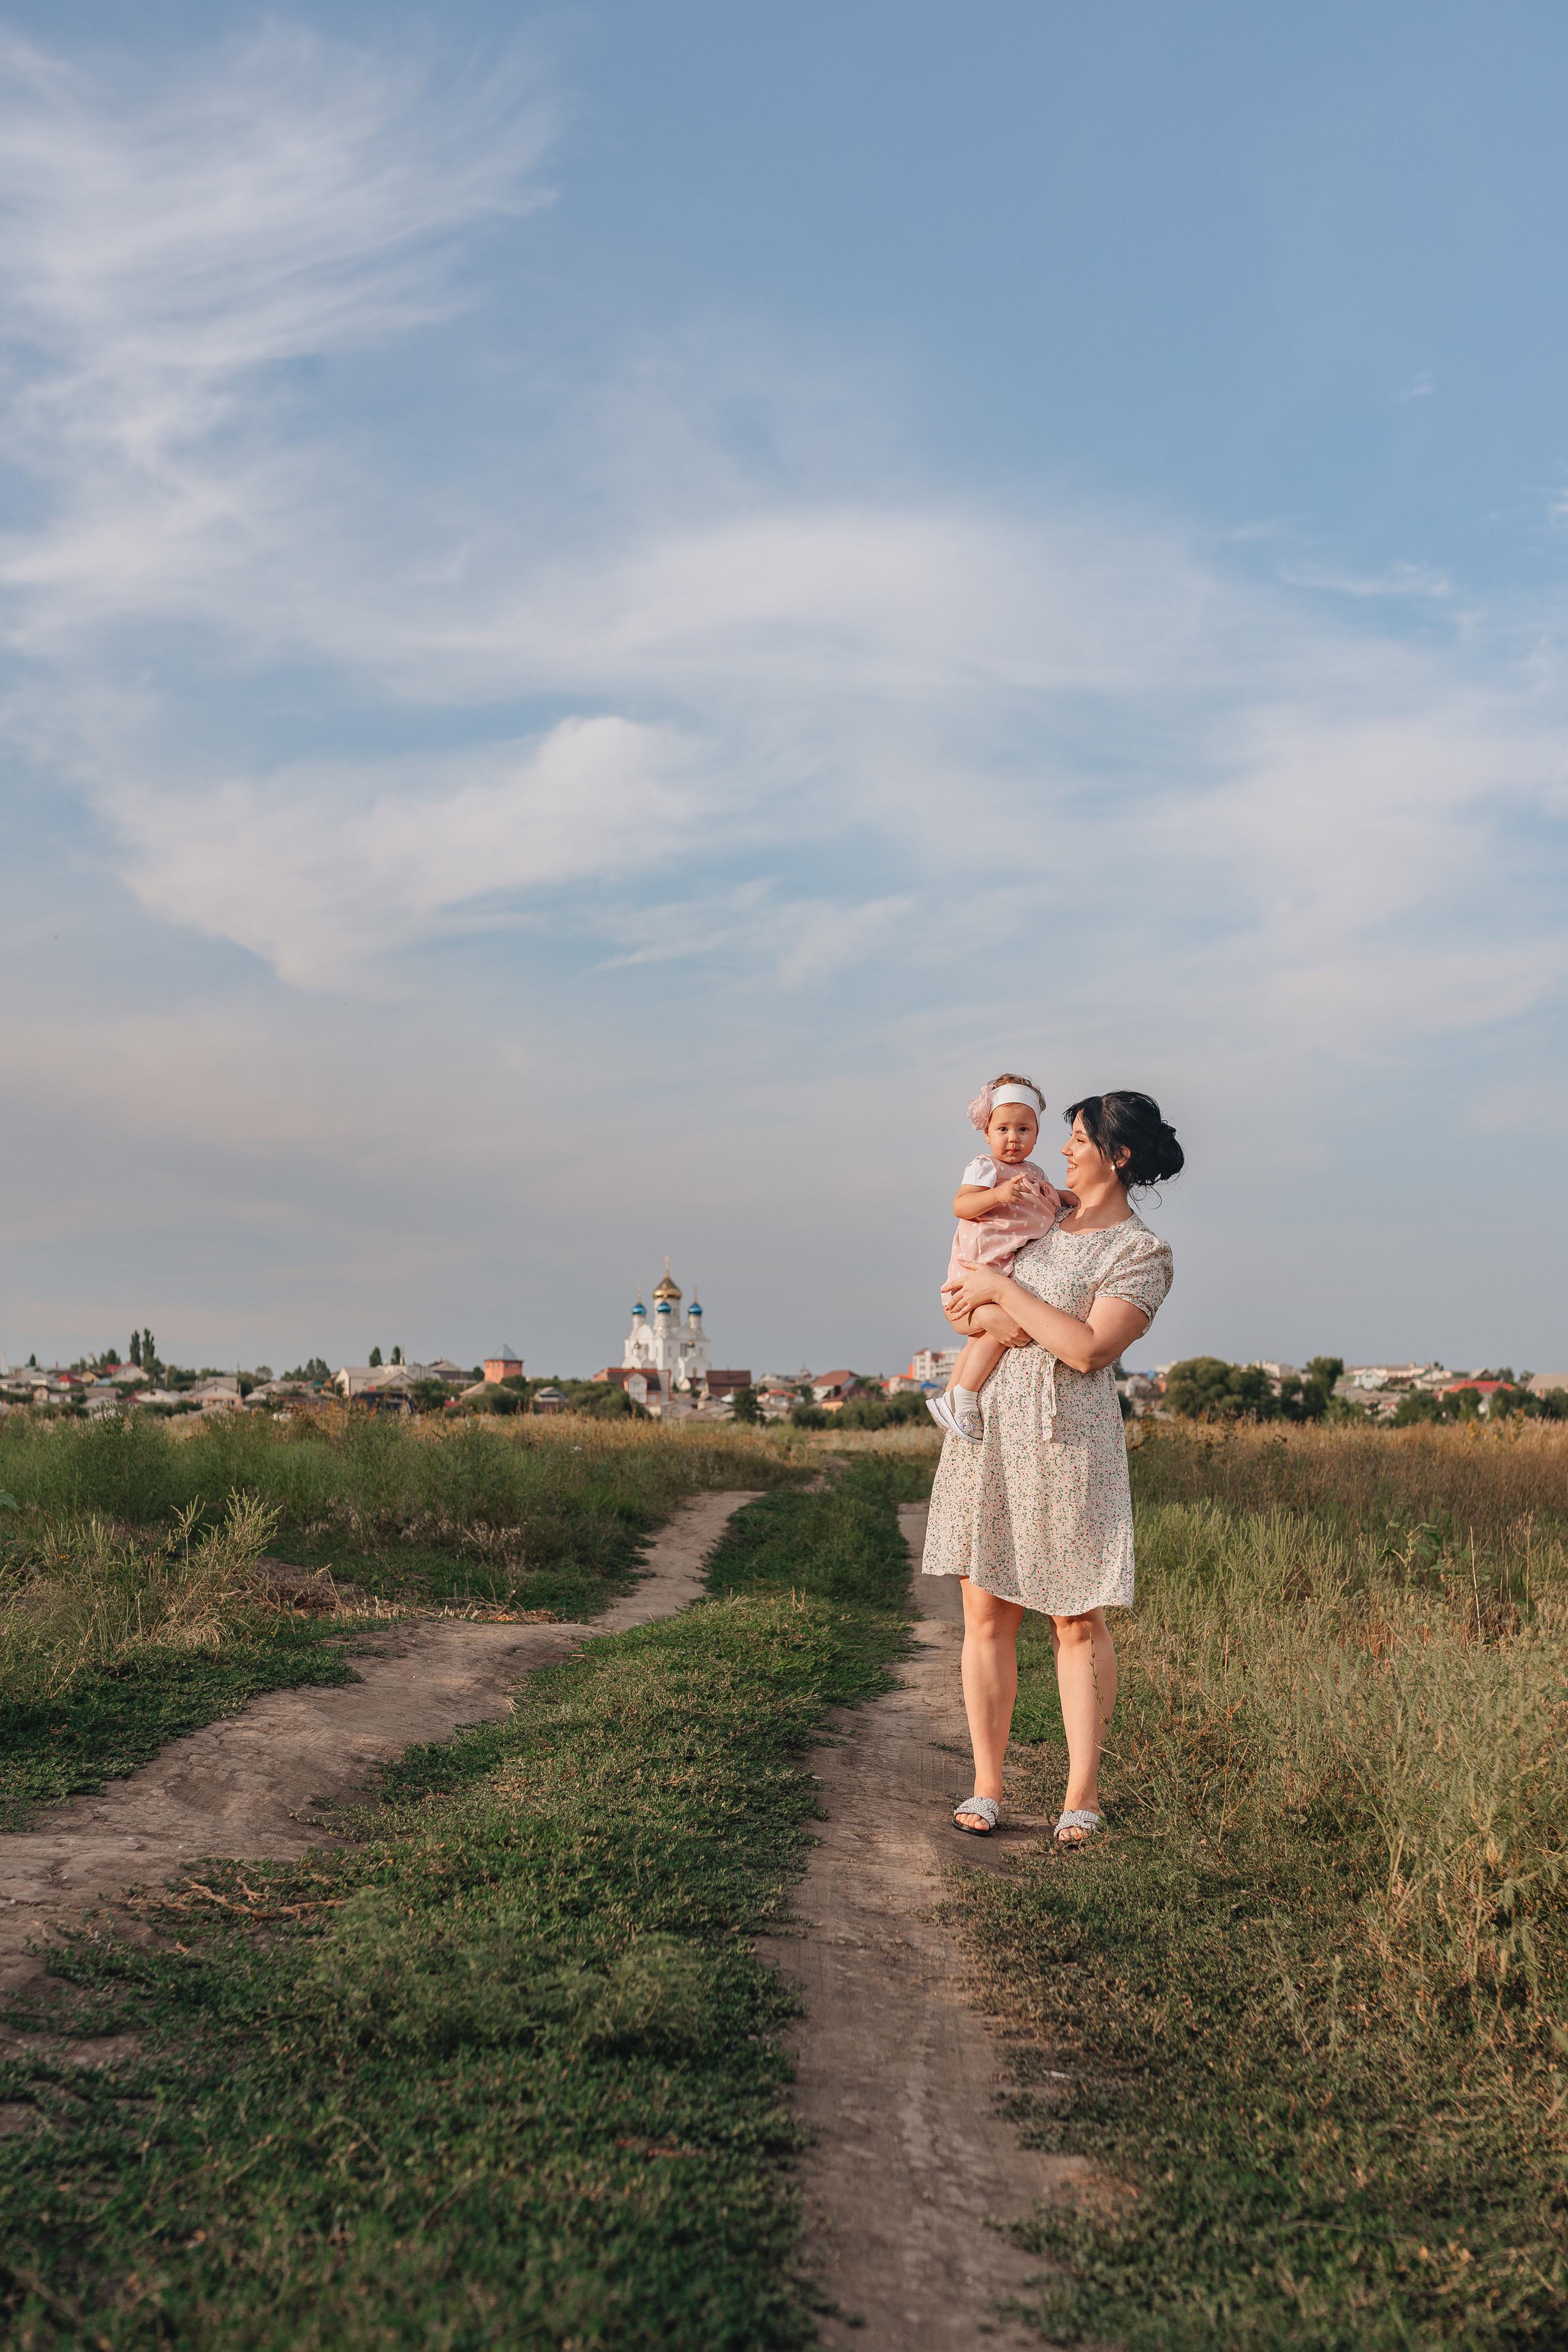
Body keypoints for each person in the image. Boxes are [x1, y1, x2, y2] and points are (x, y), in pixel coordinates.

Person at [922, 1090, 1182, 1844]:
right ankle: (987, 1786)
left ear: (1118, 1155)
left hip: (1069, 1440)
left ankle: (1081, 1796)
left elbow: (1089, 1349)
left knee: (1076, 1617)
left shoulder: (1139, 1252)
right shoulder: (1035, 1213)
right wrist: (995, 1309)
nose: (1062, 1150)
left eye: (1078, 1139)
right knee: (984, 1614)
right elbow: (959, 1307)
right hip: (990, 1429)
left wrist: (1005, 1296)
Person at [929, 1075, 1067, 1443]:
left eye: (1024, 1129)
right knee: (1000, 1331)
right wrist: (997, 1195)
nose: (1013, 1138)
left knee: (980, 1339)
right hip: (978, 1268)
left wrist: (1068, 1197)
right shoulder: (985, 1166)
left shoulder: (1035, 1173)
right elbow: (961, 1205)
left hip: (1002, 1270)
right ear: (987, 1132)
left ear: (1036, 1135)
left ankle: (948, 1398)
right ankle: (965, 1396)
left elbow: (1048, 1197)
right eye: (1003, 1129)